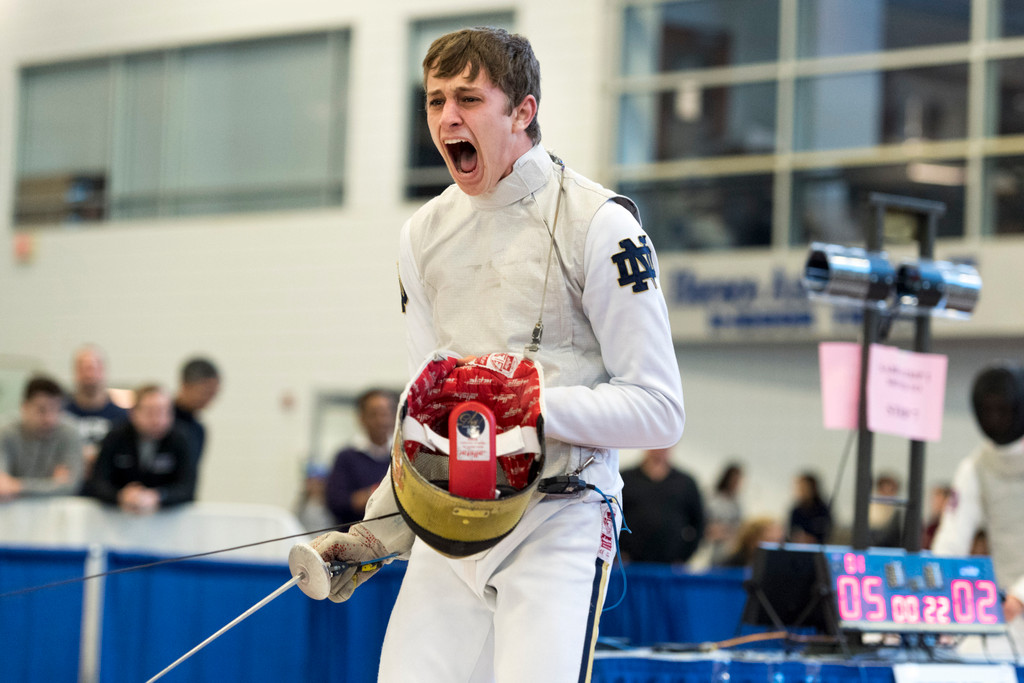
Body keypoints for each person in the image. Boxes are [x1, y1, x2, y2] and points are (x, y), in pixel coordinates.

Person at [308, 27, 684, 682]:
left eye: (469, 99)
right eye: (435, 101)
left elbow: (659, 409)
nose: (447, 117)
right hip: (453, 521)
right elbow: (426, 412)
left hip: (561, 515)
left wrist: (520, 409)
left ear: (522, 112)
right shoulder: (423, 234)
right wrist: (381, 530)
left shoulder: (600, 224)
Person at [932, 362, 1024, 631]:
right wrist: (934, 590)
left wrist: (1021, 595)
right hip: (1007, 611)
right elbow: (951, 540)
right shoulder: (977, 466)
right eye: (988, 409)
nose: (994, 417)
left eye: (1002, 409)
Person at [82, 384, 196, 514]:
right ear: (134, 412)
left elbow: (187, 488)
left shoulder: (181, 438)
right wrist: (120, 496)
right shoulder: (115, 436)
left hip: (168, 517)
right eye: (150, 412)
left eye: (164, 412)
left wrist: (158, 496)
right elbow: (98, 482)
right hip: (117, 516)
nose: (157, 420)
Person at [0, 376, 84, 499]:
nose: (49, 419)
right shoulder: (6, 432)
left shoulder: (70, 433)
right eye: (41, 410)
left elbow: (69, 486)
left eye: (56, 410)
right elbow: (2, 487)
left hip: (57, 507)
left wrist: (17, 485)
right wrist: (52, 484)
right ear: (24, 407)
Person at [324, 388, 399, 525]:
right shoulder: (346, 457)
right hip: (351, 533)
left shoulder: (402, 456)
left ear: (394, 417)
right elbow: (336, 502)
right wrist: (377, 494)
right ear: (362, 418)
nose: (380, 420)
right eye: (373, 414)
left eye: (385, 414)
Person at [619, 446, 704, 564]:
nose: (660, 449)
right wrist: (617, 552)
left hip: (670, 564)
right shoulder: (625, 479)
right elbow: (610, 516)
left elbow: (699, 522)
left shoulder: (686, 483)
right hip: (629, 563)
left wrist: (684, 557)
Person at [63, 344, 128, 477]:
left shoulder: (122, 418)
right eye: (84, 368)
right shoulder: (61, 415)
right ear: (75, 372)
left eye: (94, 367)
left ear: (104, 371)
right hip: (70, 482)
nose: (89, 374)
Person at [172, 356, 220, 470]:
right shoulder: (161, 423)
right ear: (185, 386)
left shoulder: (197, 430)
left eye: (213, 394)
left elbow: (190, 474)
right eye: (205, 392)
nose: (209, 400)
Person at [704, 461, 744, 566]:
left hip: (727, 549)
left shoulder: (737, 504)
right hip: (709, 547)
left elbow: (739, 527)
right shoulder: (712, 499)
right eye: (734, 480)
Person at [717, 515, 785, 568]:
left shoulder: (782, 566)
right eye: (769, 540)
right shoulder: (729, 567)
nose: (775, 545)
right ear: (751, 540)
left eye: (779, 541)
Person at [787, 471, 831, 544]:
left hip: (818, 547)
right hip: (798, 547)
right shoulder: (796, 510)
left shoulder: (823, 510)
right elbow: (791, 532)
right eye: (800, 488)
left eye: (804, 487)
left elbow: (827, 532)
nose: (802, 491)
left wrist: (811, 539)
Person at [867, 471, 903, 547]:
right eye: (884, 490)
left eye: (891, 490)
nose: (887, 495)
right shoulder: (871, 508)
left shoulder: (898, 512)